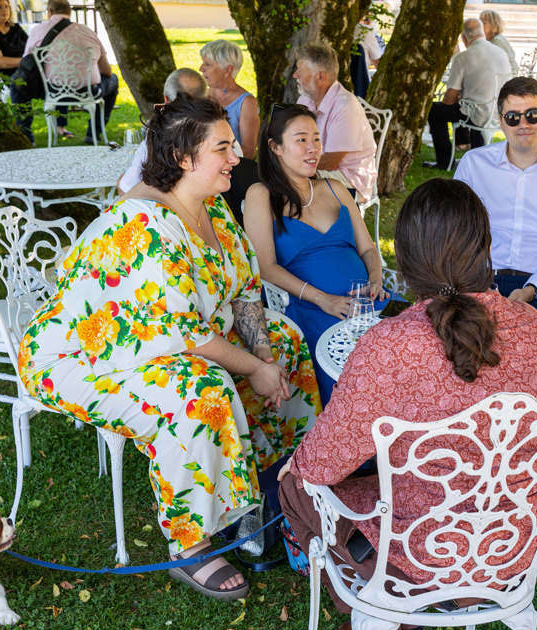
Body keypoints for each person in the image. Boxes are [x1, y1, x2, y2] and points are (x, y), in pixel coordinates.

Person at [17, 95, 321, 600]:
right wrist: (253, 368)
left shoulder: (212, 205)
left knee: (286, 341)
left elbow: (245, 289)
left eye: (232, 144)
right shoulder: (144, 226)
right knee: (197, 391)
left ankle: (275, 488)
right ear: (183, 158)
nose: (237, 156)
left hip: (161, 337)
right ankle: (190, 544)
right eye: (222, 148)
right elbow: (184, 334)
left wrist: (266, 359)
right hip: (83, 357)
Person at [276, 178, 537, 630]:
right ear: (485, 247)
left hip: (425, 550)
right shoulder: (531, 325)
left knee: (296, 485)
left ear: (407, 260)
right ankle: (407, 624)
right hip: (516, 541)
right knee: (371, 478)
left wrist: (298, 468)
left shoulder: (390, 344)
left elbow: (324, 463)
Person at [245, 104, 397, 406]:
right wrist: (323, 299)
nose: (313, 148)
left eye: (316, 138)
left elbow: (368, 248)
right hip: (314, 308)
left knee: (416, 341)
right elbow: (265, 266)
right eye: (301, 139)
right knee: (357, 375)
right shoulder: (261, 195)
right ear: (275, 147)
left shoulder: (335, 188)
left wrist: (376, 279)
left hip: (368, 299)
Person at [454, 77, 537, 310]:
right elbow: (454, 230)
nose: (523, 124)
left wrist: (532, 289)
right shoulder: (474, 164)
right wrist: (473, 280)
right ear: (501, 121)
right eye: (512, 117)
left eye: (532, 114)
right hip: (479, 280)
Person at [11, 0, 118, 145]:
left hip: (52, 90)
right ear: (70, 12)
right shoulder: (87, 31)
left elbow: (27, 62)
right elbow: (107, 71)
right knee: (113, 79)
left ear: (49, 12)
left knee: (17, 84)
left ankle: (26, 137)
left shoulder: (38, 30)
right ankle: (94, 132)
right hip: (87, 92)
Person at [293, 43, 378, 203]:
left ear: (320, 77)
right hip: (319, 168)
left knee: (291, 181)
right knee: (282, 179)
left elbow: (331, 163)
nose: (295, 75)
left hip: (350, 179)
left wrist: (292, 165)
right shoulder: (306, 99)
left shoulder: (346, 106)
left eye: (300, 71)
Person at [424, 18, 511, 171]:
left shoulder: (462, 57)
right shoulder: (501, 52)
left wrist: (458, 97)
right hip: (500, 111)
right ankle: (465, 148)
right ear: (483, 33)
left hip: (476, 114)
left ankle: (445, 162)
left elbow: (449, 100)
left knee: (434, 110)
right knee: (462, 107)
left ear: (464, 38)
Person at [116, 68, 209, 194]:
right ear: (206, 98)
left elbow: (126, 188)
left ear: (166, 99)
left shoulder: (160, 136)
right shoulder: (220, 131)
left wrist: (122, 179)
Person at [200, 39, 259, 160]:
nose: (201, 68)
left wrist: (211, 156)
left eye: (207, 64)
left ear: (228, 70)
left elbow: (249, 152)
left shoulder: (246, 102)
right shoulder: (201, 95)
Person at [480, 9, 518, 77]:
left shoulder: (497, 40)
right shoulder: (490, 39)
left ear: (492, 24)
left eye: (483, 23)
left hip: (507, 77)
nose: (480, 25)